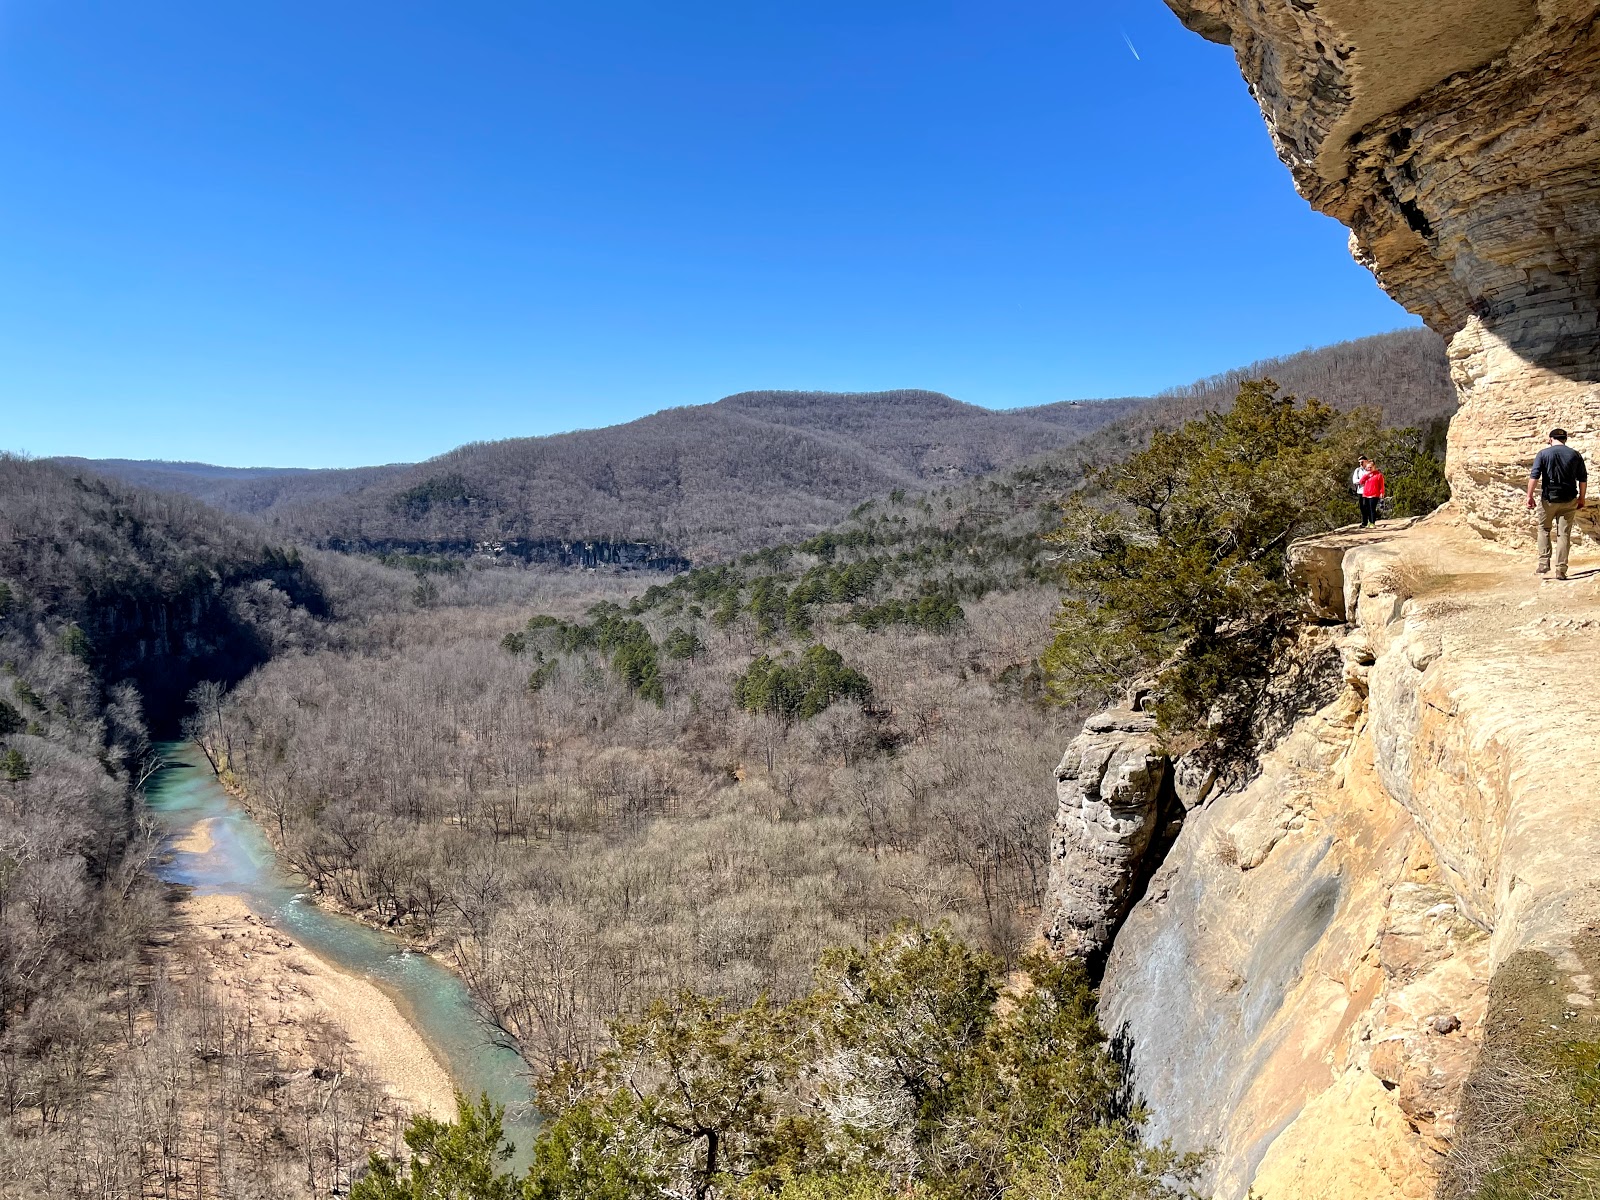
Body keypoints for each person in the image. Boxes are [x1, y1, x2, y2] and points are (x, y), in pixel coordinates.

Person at [1527, 427, 1588, 580]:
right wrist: (1582, 497)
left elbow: (1534, 476)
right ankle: (1561, 569)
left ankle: (1543, 563)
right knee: (1564, 534)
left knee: (1544, 529)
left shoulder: (1543, 454)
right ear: (1565, 439)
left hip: (1549, 499)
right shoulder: (1575, 454)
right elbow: (1582, 478)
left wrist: (1529, 496)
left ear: (1550, 439)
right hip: (1569, 499)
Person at [1358, 458, 1385, 527]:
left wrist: (1382, 493)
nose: (1369, 469)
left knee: (1372, 508)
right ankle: (1369, 522)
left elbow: (1381, 485)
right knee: (1366, 508)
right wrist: (1366, 475)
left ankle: (1372, 522)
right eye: (1367, 467)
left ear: (1374, 467)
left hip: (1374, 494)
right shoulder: (1366, 475)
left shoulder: (1379, 475)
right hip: (1366, 494)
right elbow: (1361, 482)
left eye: (1370, 467)